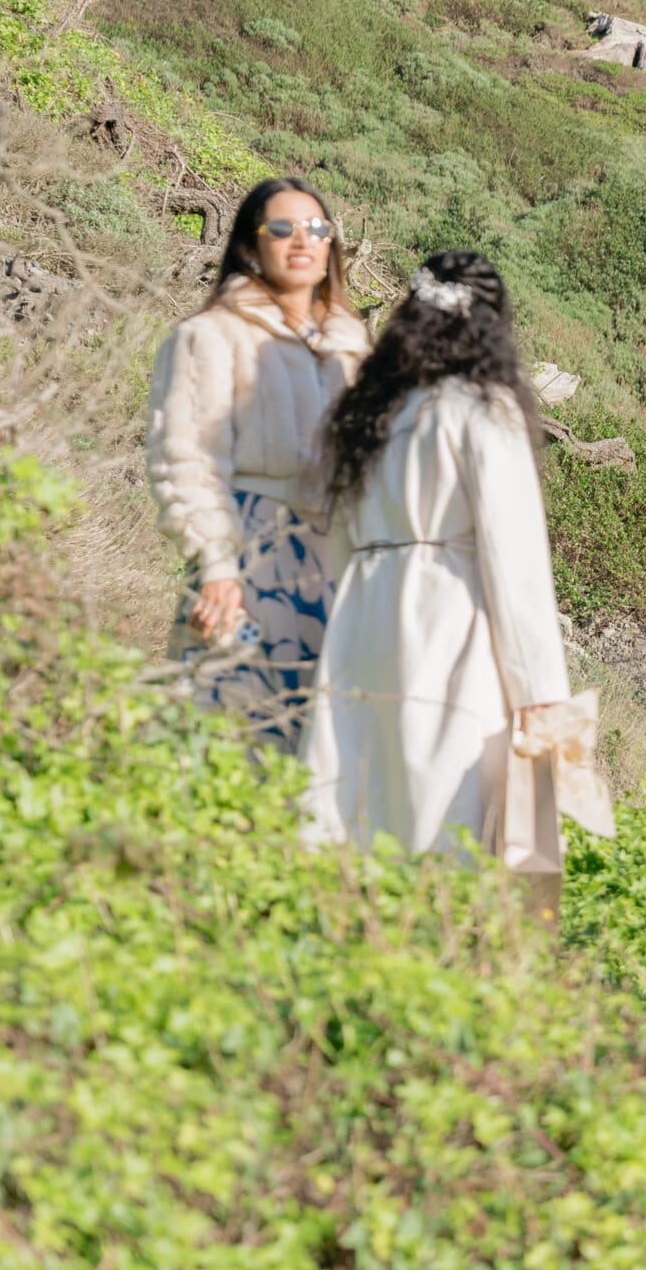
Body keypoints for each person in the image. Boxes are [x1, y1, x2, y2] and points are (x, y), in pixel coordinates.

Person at [298, 250, 571, 856]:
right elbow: (514, 554)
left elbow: (337, 538)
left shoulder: (365, 413)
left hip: (364, 615)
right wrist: (542, 689)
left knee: (362, 789)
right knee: (443, 798)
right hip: (450, 615)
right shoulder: (481, 409)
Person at [146, 176, 370, 749]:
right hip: (251, 554)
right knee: (227, 734)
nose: (303, 240)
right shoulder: (210, 335)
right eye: (282, 227)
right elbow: (187, 458)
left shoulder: (352, 346)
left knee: (322, 754)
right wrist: (217, 568)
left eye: (318, 228)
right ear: (252, 244)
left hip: (338, 563)